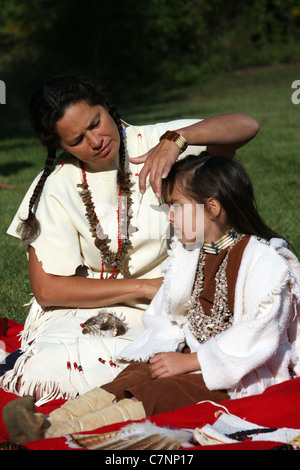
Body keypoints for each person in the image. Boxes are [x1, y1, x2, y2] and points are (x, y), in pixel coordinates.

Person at [3, 152, 300, 445]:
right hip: (194, 355)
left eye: (177, 207)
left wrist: (191, 362)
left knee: (165, 391)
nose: (170, 216)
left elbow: (257, 336)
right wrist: (166, 348)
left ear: (212, 207)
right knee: (138, 372)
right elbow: (169, 312)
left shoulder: (265, 263)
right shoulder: (191, 252)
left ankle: (55, 432)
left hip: (238, 373)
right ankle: (50, 419)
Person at [0, 74, 259, 405]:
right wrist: (144, 287)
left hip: (176, 303)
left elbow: (246, 125)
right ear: (60, 146)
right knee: (47, 372)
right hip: (89, 308)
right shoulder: (57, 182)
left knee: (164, 365)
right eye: (76, 139)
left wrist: (178, 139)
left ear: (105, 105)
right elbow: (48, 290)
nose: (95, 141)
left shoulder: (157, 142)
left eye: (96, 123)